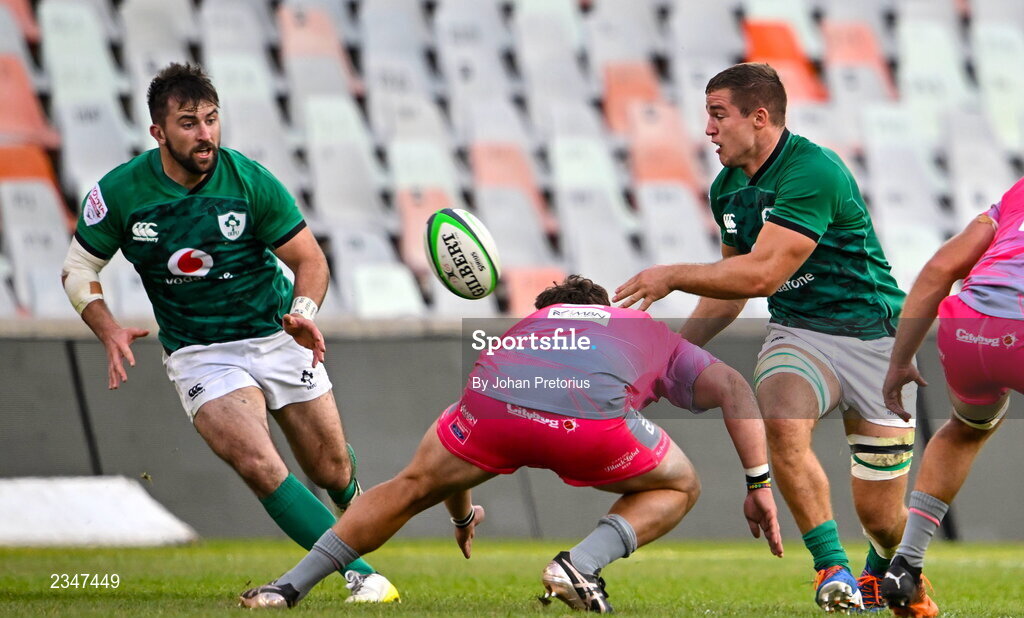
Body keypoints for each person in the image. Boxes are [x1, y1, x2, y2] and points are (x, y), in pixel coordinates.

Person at [238, 275, 783, 612]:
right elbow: (734, 388)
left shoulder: (519, 331)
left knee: (407, 488)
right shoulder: (638, 324)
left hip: (499, 403)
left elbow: (441, 471)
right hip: (590, 424)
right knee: (681, 484)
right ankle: (582, 564)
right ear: (601, 305)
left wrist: (459, 516)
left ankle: (283, 590)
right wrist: (758, 483)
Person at [59, 62, 398, 602]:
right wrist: (107, 329)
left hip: (275, 333)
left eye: (212, 120)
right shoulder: (121, 193)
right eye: (189, 122)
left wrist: (304, 309)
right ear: (158, 132)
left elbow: (310, 260)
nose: (205, 134)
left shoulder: (249, 181)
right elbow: (79, 270)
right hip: (200, 352)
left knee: (329, 466)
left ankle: (350, 499)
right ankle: (364, 576)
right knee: (258, 463)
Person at [614, 63, 918, 612]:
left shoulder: (814, 171)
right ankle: (833, 572)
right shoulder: (728, 188)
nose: (707, 128)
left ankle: (884, 573)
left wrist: (672, 274)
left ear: (759, 117)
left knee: (883, 519)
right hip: (801, 333)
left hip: (876, 338)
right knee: (780, 415)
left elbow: (762, 273)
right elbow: (734, 291)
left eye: (717, 114)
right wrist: (671, 355)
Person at [878, 178, 1024, 617]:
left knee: (965, 430)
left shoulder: (1018, 193)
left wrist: (900, 361)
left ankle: (906, 564)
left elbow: (940, 269)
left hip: (968, 326)